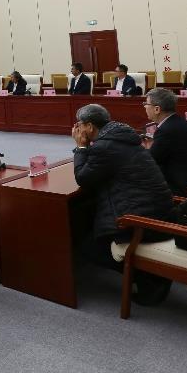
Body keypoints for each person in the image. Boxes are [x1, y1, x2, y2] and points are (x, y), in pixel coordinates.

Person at [71, 104, 175, 306]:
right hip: (159, 210)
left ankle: (149, 278)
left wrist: (81, 147)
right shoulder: (121, 136)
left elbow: (83, 178)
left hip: (142, 220)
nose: (76, 129)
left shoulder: (104, 147)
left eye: (79, 124)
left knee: (86, 246)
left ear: (90, 126)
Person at [143, 88, 187, 195]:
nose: (145, 106)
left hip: (183, 187)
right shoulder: (177, 122)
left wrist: (142, 150)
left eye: (146, 104)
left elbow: (151, 160)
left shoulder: (166, 130)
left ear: (157, 109)